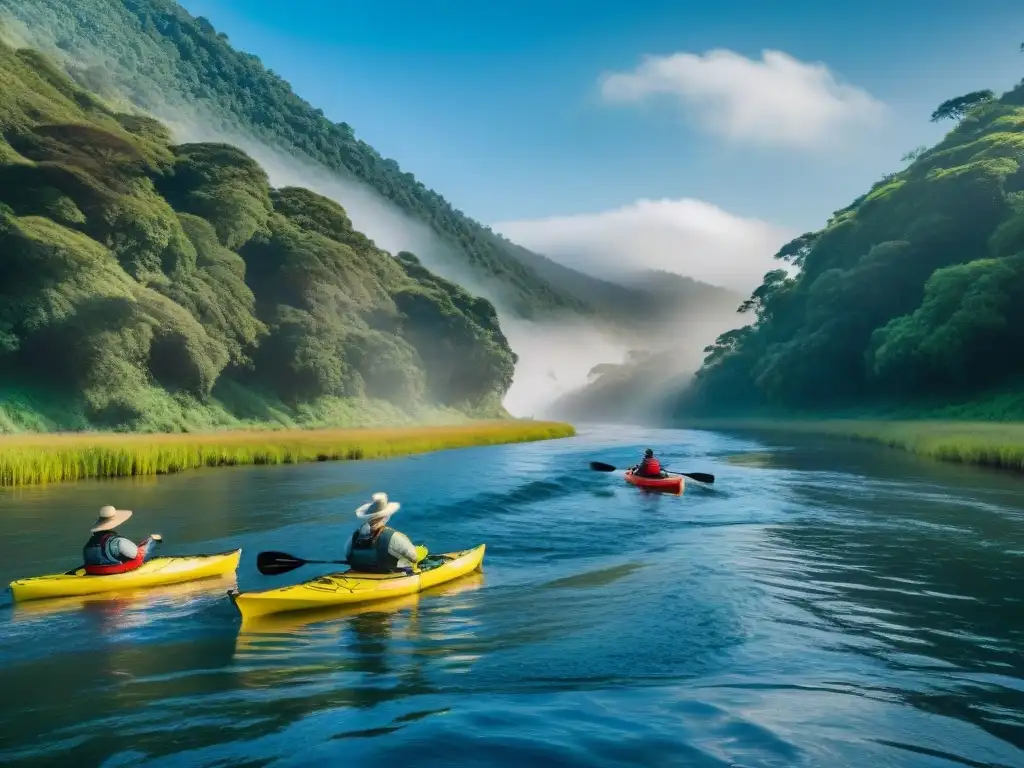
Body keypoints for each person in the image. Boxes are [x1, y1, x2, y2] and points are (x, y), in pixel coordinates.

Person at [344, 492, 428, 574]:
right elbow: (414, 557)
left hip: (358, 573)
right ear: (385, 517)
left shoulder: (354, 536)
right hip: (387, 576)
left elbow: (347, 556)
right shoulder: (393, 537)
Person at [82, 506, 162, 575]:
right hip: (115, 572)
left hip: (95, 572)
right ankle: (152, 540)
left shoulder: (88, 545)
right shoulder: (118, 542)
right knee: (146, 547)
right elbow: (138, 555)